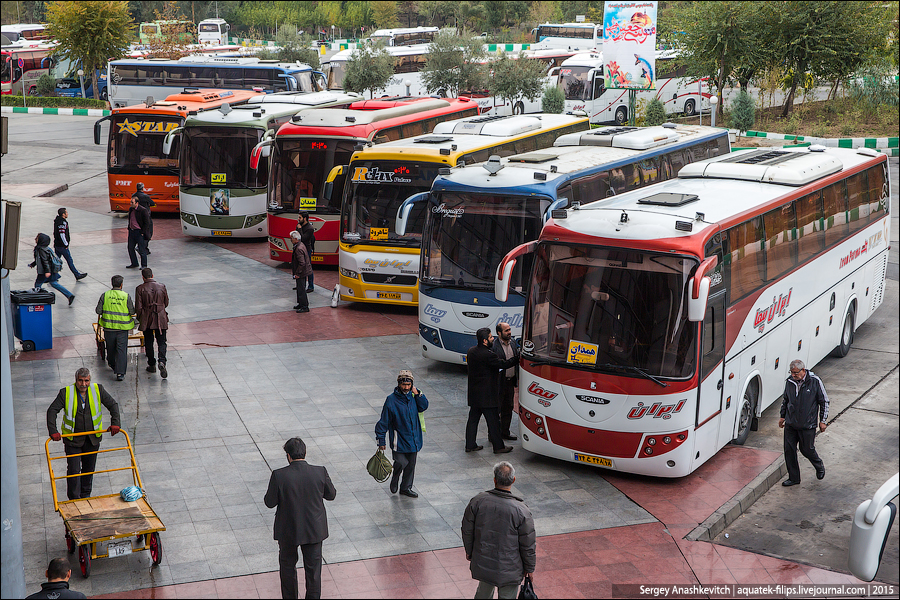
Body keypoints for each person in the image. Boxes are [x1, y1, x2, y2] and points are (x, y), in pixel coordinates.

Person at [264, 437, 336, 599]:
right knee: (313, 572)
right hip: (314, 529)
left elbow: (269, 502)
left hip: (288, 530)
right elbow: (331, 495)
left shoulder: (279, 475)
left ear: (288, 455)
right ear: (305, 452)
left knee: (288, 568)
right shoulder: (320, 471)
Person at [461, 462, 536, 599]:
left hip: (484, 562)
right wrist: (530, 568)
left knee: (483, 593)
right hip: (511, 569)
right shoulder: (522, 510)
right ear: (513, 480)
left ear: (494, 479)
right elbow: (528, 544)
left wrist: (470, 551)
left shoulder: (477, 502)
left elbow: (467, 530)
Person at [47, 368, 121, 500]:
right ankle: (74, 499)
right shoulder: (66, 393)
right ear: (76, 380)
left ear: (90, 380)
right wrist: (53, 431)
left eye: (86, 381)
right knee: (74, 471)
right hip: (73, 440)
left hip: (92, 439)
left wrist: (115, 423)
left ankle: (86, 495)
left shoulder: (98, 390)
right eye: (80, 380)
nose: (83, 384)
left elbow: (113, 405)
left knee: (89, 469)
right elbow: (52, 411)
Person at [375, 369, 429, 498]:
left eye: (408, 385)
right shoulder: (391, 400)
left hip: (414, 438)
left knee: (411, 465)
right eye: (403, 385)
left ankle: (406, 488)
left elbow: (424, 406)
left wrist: (418, 394)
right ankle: (395, 477)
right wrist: (380, 440)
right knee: (401, 462)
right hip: (398, 440)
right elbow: (383, 422)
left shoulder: (414, 396)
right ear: (399, 384)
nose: (406, 387)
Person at [466, 328, 518, 454]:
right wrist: (517, 358)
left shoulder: (471, 351)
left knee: (472, 420)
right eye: (490, 337)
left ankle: (470, 444)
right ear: (484, 341)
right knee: (494, 422)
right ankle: (498, 446)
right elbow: (504, 364)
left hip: (474, 395)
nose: (492, 339)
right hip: (488, 396)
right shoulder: (489, 355)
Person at [779, 359, 829, 486]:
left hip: (808, 425)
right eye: (791, 372)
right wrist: (782, 416)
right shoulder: (790, 382)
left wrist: (823, 421)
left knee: (806, 449)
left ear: (803, 370)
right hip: (791, 424)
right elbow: (786, 399)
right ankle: (794, 478)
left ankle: (819, 465)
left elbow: (824, 401)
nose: (793, 375)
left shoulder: (815, 381)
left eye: (795, 373)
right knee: (789, 451)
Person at [95, 275, 136, 381]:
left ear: (112, 283)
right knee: (121, 350)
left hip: (109, 328)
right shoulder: (126, 296)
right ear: (121, 284)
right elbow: (132, 311)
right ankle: (120, 373)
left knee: (111, 348)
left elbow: (98, 311)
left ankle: (112, 364)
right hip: (123, 328)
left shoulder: (105, 295)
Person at [135, 268, 169, 379]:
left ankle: (152, 363)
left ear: (143, 277)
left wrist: (141, 318)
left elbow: (138, 307)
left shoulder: (140, 288)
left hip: (147, 318)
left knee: (148, 341)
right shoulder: (162, 286)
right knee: (162, 341)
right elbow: (166, 302)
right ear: (152, 275)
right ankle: (162, 361)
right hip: (161, 317)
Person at [491, 322, 520, 441]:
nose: (509, 332)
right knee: (496, 410)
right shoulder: (494, 346)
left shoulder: (513, 343)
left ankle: (505, 432)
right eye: (506, 330)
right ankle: (493, 435)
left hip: (510, 382)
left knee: (508, 408)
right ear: (499, 333)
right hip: (498, 383)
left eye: (509, 329)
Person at [28, 233, 75, 305]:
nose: (35, 239)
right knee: (54, 283)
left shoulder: (41, 250)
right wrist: (33, 264)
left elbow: (45, 261)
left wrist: (47, 272)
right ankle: (69, 295)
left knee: (38, 285)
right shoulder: (45, 248)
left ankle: (38, 300)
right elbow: (39, 259)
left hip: (45, 271)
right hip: (50, 270)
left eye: (37, 238)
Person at [53, 208, 88, 281]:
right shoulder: (62, 222)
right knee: (69, 260)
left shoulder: (57, 221)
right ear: (63, 214)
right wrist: (66, 244)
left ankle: (53, 276)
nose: (67, 214)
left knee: (56, 261)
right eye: (66, 212)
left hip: (57, 245)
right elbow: (62, 234)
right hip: (62, 246)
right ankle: (77, 275)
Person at [126, 196, 152, 269]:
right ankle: (134, 263)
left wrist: (142, 232)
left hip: (139, 232)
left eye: (132, 202)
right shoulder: (131, 209)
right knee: (130, 248)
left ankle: (144, 265)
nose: (130, 203)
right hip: (132, 231)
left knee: (141, 249)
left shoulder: (143, 210)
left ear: (137, 203)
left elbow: (147, 223)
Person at [290, 231, 312, 313]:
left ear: (296, 239)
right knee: (300, 288)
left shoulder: (298, 248)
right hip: (303, 271)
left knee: (301, 288)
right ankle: (301, 303)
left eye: (291, 238)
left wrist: (297, 273)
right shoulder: (301, 245)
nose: (291, 240)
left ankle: (304, 306)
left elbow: (302, 263)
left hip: (301, 272)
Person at [131, 182, 155, 254]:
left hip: (137, 217)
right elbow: (152, 203)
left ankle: (143, 247)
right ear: (142, 188)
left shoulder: (134, 195)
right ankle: (142, 247)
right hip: (145, 217)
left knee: (140, 232)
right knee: (148, 232)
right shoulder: (146, 196)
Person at [296, 211, 316, 293]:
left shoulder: (310, 228)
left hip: (306, 250)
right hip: (299, 249)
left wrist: (300, 229)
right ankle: (300, 285)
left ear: (305, 218)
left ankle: (311, 286)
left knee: (308, 267)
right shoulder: (299, 225)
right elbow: (296, 236)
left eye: (300, 217)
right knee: (299, 267)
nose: (298, 219)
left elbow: (303, 238)